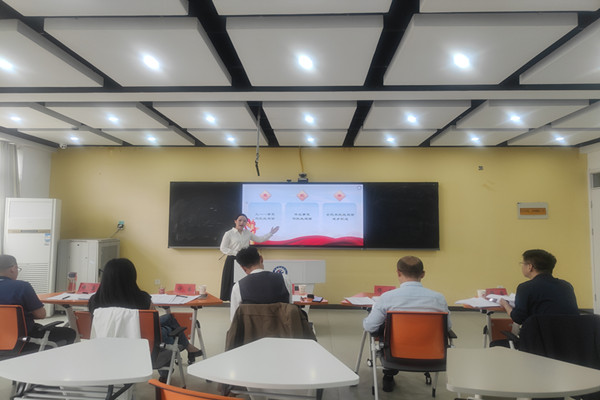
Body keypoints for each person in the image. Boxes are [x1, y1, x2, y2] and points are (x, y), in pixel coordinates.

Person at [88, 258, 203, 373]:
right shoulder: (142, 298)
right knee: (170, 330)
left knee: (169, 318)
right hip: (141, 339)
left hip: (106, 343)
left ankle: (187, 349)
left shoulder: (94, 301)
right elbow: (153, 322)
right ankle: (174, 362)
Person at [362, 255, 450, 393]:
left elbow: (369, 326)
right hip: (432, 354)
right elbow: (447, 327)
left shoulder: (387, 297)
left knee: (384, 331)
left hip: (394, 354)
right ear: (423, 274)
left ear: (398, 273)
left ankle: (389, 375)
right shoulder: (439, 298)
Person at [0, 254, 76, 351]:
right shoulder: (22, 287)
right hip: (21, 340)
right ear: (13, 268)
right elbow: (41, 315)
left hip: (2, 338)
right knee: (70, 333)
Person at [499, 249, 578, 325]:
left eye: (522, 264)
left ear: (530, 267)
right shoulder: (566, 286)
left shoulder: (525, 287)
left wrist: (506, 305)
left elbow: (518, 318)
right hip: (570, 333)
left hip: (540, 333)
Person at [219, 213, 279, 301]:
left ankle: (245, 299)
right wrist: (237, 253)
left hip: (245, 260)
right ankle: (233, 301)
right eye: (240, 220)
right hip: (233, 260)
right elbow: (223, 248)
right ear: (235, 221)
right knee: (232, 281)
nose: (242, 222)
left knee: (245, 280)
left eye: (244, 221)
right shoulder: (229, 233)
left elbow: (259, 239)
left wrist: (271, 233)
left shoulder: (247, 233)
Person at [229, 246, 292, 321]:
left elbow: (234, 319)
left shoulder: (238, 287)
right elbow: (290, 307)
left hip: (251, 328)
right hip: (282, 327)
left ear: (243, 267)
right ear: (261, 259)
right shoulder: (284, 279)